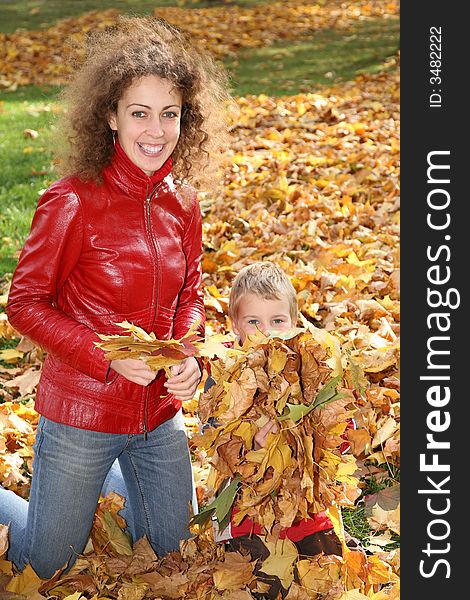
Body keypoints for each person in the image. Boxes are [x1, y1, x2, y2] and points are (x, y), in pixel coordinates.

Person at [1, 16, 230, 579]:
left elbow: (190, 295)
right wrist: (103, 354)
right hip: (83, 412)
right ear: (110, 116)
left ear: (185, 118)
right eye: (139, 112)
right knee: (46, 564)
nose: (156, 130)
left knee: (177, 557)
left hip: (158, 415)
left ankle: (108, 478)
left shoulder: (185, 203)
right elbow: (24, 303)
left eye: (169, 114)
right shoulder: (72, 201)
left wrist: (189, 355)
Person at [203, 261, 349, 599]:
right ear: (234, 326)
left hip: (301, 504)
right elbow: (215, 443)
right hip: (245, 507)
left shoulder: (308, 365)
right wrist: (253, 442)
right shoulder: (224, 371)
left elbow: (333, 439)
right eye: (253, 322)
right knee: (257, 584)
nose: (266, 333)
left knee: (325, 573)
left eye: (277, 321)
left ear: (295, 324)